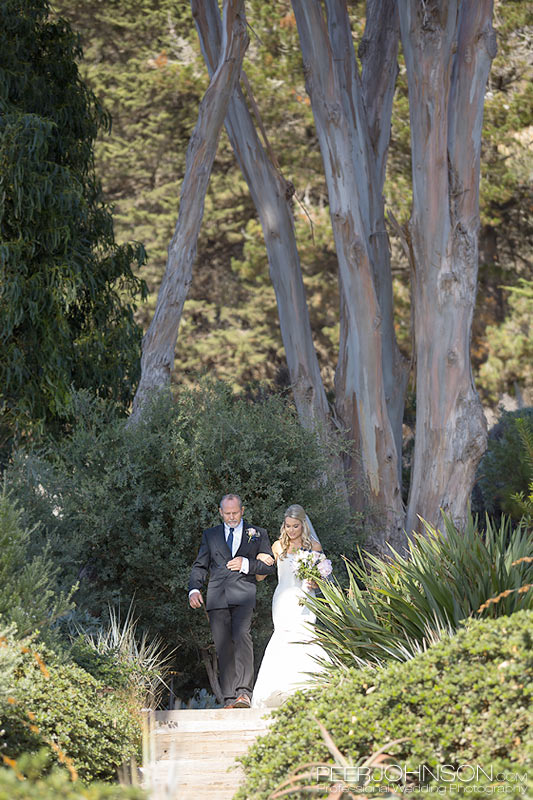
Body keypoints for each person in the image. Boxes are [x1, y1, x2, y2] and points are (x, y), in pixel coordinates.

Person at [188, 494, 276, 708]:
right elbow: (200, 565)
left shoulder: (257, 534)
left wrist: (247, 563)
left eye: (235, 513)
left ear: (242, 510)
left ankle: (243, 693)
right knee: (223, 645)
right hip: (217, 596)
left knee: (242, 637)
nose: (231, 517)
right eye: (227, 513)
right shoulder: (211, 535)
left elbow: (269, 567)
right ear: (220, 512)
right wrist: (194, 589)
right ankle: (229, 698)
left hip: (244, 594)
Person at [251, 503, 329, 709]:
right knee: (283, 636)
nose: (292, 530)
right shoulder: (278, 546)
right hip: (283, 600)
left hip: (305, 599)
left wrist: (316, 581)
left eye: (296, 526)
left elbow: (322, 577)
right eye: (288, 526)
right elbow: (260, 577)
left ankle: (309, 687)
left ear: (303, 525)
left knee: (305, 634)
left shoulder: (313, 547)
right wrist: (260, 557)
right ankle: (277, 690)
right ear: (283, 526)